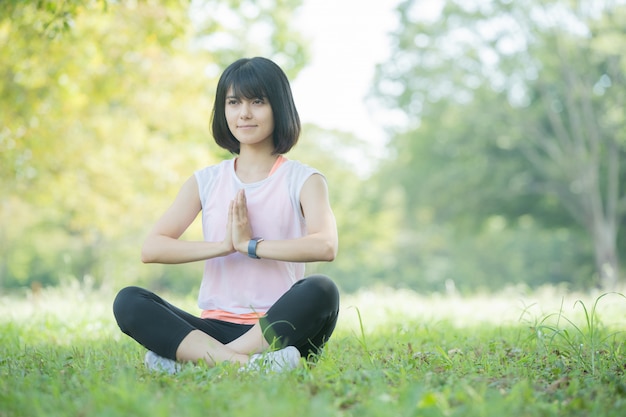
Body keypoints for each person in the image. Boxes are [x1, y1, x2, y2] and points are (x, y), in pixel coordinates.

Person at [112, 57, 340, 374]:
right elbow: (152, 248)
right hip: (213, 327)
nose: (244, 113)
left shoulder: (304, 180)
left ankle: (199, 362)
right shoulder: (205, 180)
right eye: (233, 102)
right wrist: (224, 245)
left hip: (279, 324)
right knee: (129, 301)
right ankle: (247, 365)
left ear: (279, 107)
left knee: (322, 290)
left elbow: (325, 245)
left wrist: (250, 245)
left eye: (257, 101)